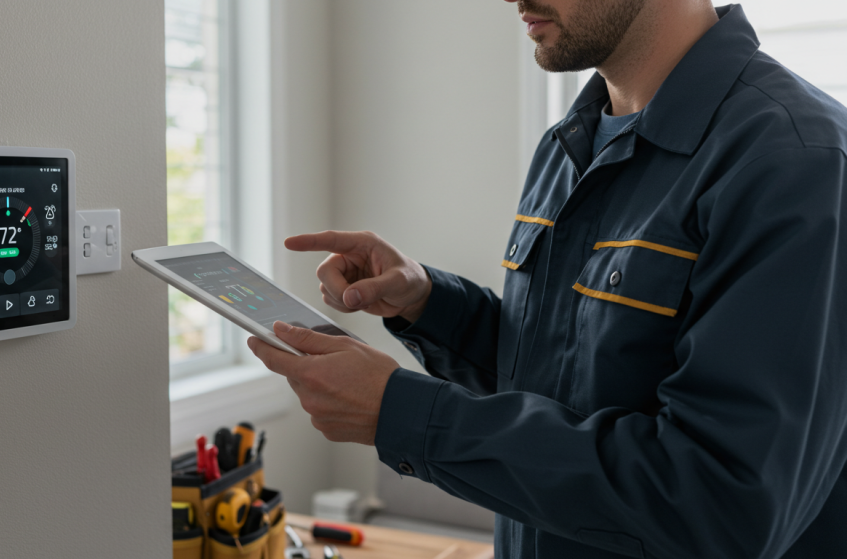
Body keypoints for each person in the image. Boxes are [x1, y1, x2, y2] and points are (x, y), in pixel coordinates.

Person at [247, 1, 847, 557]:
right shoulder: (571, 143)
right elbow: (560, 381)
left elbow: (724, 502)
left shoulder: (795, 159)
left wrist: (400, 413)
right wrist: (428, 302)